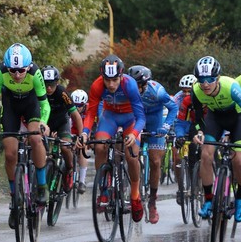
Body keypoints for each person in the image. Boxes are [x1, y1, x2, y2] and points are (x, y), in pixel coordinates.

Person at [183, 56, 241, 222]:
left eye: (210, 79)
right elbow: (197, 119)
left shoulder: (231, 86)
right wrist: (199, 132)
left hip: (238, 118)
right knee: (205, 155)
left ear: (217, 78)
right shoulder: (196, 90)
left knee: (240, 161)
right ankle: (209, 199)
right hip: (215, 118)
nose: (205, 84)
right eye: (201, 80)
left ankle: (240, 197)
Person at [0, 43, 50, 229]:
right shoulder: (0, 72)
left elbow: (45, 104)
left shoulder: (35, 73)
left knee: (36, 138)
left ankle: (42, 186)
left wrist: (44, 122)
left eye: (21, 70)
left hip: (31, 105)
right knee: (10, 153)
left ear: (28, 67)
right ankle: (15, 201)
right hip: (10, 106)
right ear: (7, 67)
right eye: (13, 71)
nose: (17, 75)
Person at [79, 55, 146, 222]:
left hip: (131, 119)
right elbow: (91, 112)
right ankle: (104, 189)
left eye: (115, 80)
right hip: (110, 117)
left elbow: (141, 117)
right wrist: (85, 132)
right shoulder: (97, 86)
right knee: (100, 146)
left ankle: (135, 195)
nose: (110, 84)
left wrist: (134, 133)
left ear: (121, 76)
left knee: (132, 156)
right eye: (107, 80)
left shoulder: (130, 85)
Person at [127, 65, 177, 224]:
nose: (137, 90)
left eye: (140, 86)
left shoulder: (157, 91)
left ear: (146, 84)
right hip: (136, 118)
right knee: (128, 153)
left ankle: (153, 202)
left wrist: (166, 126)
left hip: (155, 119)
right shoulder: (126, 90)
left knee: (155, 161)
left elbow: (173, 108)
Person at [41, 65, 83, 192]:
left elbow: (75, 115)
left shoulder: (62, 92)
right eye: (45, 84)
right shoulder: (38, 92)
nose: (48, 88)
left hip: (61, 123)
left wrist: (80, 136)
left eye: (52, 84)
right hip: (45, 123)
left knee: (65, 147)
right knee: (39, 148)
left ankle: (69, 170)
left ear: (57, 82)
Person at [172, 74, 197, 205]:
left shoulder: (201, 95)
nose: (186, 93)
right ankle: (180, 188)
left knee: (198, 154)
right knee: (176, 156)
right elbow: (176, 117)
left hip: (195, 127)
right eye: (184, 90)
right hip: (181, 126)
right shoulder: (178, 98)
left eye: (189, 90)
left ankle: (196, 184)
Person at [70, 89, 90, 193]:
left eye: (80, 105)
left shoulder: (89, 109)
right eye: (75, 105)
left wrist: (86, 137)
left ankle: (82, 181)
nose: (77, 108)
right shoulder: (68, 108)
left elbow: (90, 124)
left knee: (83, 148)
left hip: (85, 131)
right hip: (71, 130)